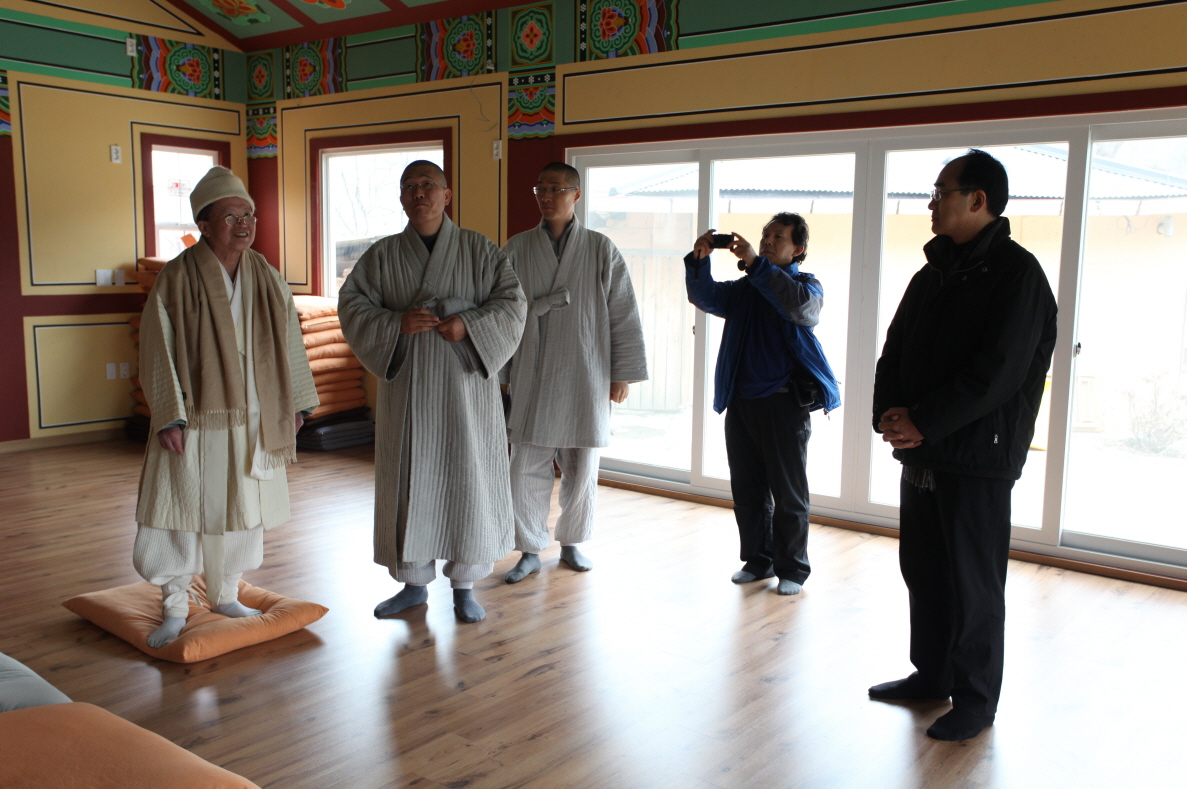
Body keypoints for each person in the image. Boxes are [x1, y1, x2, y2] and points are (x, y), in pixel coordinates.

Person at [870, 149, 1057, 741]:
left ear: (978, 199)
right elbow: (895, 349)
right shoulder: (932, 273)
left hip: (978, 457)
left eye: (940, 191)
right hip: (924, 448)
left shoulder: (1017, 275)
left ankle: (976, 700)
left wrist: (923, 420)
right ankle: (933, 676)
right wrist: (889, 415)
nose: (931, 203)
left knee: (974, 584)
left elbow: (998, 373)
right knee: (923, 571)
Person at [135, 165, 318, 648]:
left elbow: (290, 343)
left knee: (244, 504)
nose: (244, 225)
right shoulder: (177, 278)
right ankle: (175, 604)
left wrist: (296, 404)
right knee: (181, 507)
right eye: (231, 216)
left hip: (255, 414)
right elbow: (157, 349)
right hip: (198, 414)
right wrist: (168, 415)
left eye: (249, 215)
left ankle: (226, 591)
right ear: (204, 224)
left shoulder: (266, 276)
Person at [338, 160, 526, 623]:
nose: (418, 193)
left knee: (469, 482)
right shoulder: (382, 255)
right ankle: (413, 585)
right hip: (408, 391)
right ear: (402, 198)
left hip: (466, 394)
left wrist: (469, 324)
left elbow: (512, 304)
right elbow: (353, 305)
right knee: (408, 482)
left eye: (427, 185)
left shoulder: (481, 251)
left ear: (447, 195)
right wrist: (395, 324)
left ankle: (465, 587)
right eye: (409, 186)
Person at [500, 162, 648, 583]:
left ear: (576, 195)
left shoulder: (601, 248)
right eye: (540, 189)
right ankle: (529, 548)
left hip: (586, 369)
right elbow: (502, 312)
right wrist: (503, 371)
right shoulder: (517, 248)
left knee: (582, 466)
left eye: (555, 189)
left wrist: (621, 373)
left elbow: (622, 312)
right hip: (533, 368)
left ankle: (572, 542)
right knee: (524, 466)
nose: (546, 197)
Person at [684, 214, 840, 596]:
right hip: (741, 402)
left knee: (788, 494)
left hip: (785, 405)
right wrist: (699, 262)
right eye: (766, 235)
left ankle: (793, 569)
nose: (768, 241)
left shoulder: (806, 287)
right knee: (748, 490)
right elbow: (706, 297)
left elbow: (799, 308)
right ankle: (758, 561)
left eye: (778, 237)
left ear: (798, 249)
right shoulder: (747, 287)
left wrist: (756, 264)